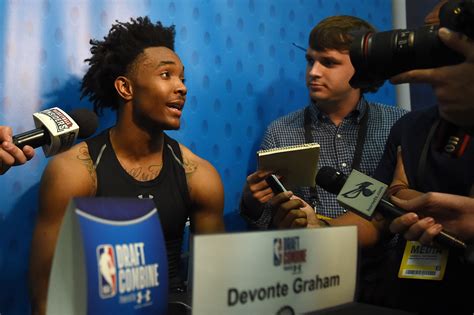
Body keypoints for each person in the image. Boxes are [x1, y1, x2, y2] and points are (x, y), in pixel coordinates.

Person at [29, 17, 225, 315]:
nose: (181, 88)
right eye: (166, 75)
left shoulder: (199, 175)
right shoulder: (74, 171)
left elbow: (215, 289)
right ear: (125, 88)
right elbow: (46, 296)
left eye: (182, 78)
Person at [240, 15, 406, 247]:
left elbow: (404, 209)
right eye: (310, 61)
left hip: (384, 269)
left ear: (363, 66)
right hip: (312, 268)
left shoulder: (397, 123)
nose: (314, 72)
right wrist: (252, 202)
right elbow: (267, 224)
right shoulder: (280, 132)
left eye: (328, 62)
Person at [369, 1, 474, 312]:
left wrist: (409, 193)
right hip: (415, 294)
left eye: (444, 38)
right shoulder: (410, 125)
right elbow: (371, 201)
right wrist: (320, 231)